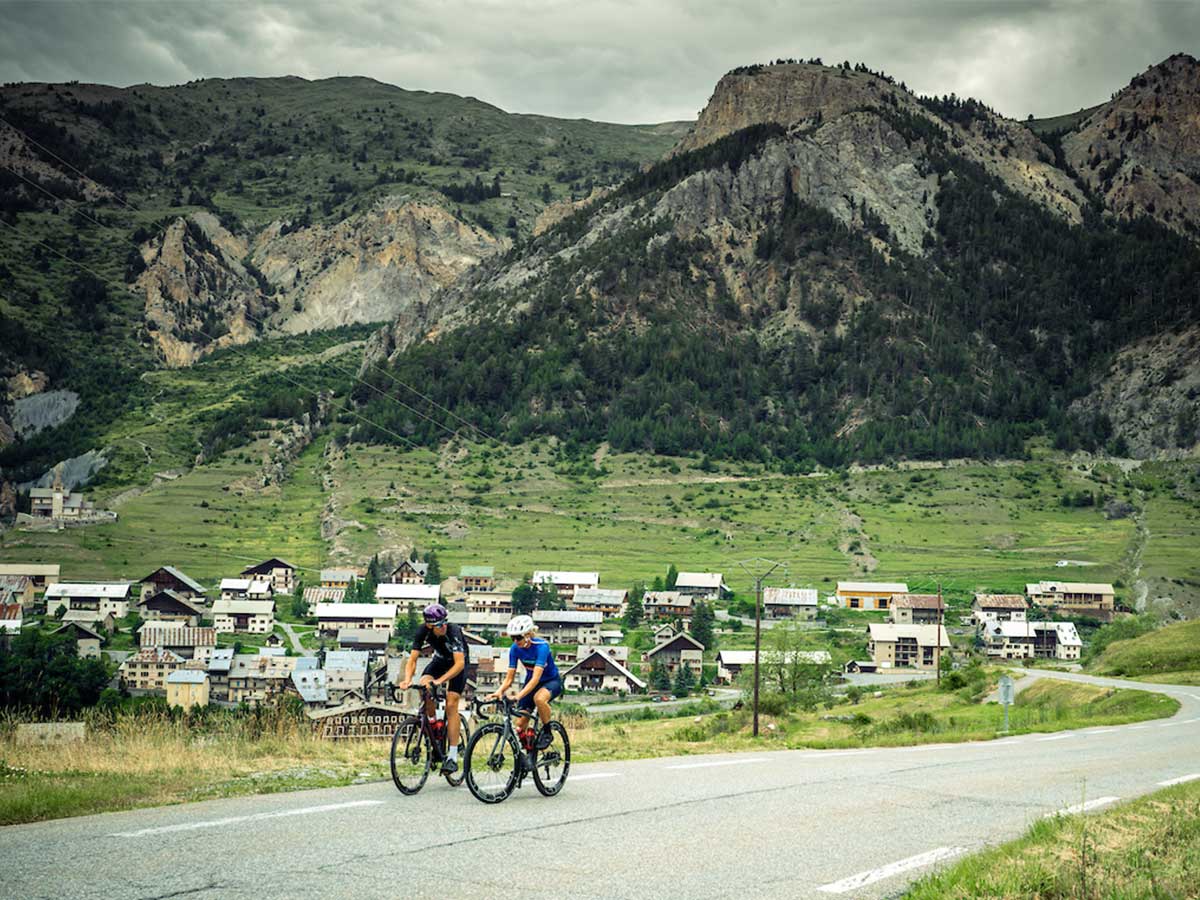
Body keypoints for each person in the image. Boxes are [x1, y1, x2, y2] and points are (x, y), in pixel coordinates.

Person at [398, 602, 469, 774]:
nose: (443, 626)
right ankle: (433, 724)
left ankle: (452, 757)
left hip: (458, 665)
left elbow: (459, 663)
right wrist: (407, 680)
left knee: (451, 704)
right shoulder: (422, 631)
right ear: (429, 625)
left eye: (444, 622)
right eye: (438, 625)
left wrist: (441, 681)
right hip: (439, 662)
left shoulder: (453, 631)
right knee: (425, 686)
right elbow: (413, 659)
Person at [487, 615, 562, 751]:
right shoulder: (515, 649)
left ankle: (547, 730)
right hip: (530, 682)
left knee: (539, 699)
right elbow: (509, 678)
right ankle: (528, 754)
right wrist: (499, 691)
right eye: (512, 638)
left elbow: (535, 679)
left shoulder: (542, 647)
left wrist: (518, 696)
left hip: (550, 681)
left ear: (528, 635)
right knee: (520, 725)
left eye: (518, 637)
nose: (516, 641)